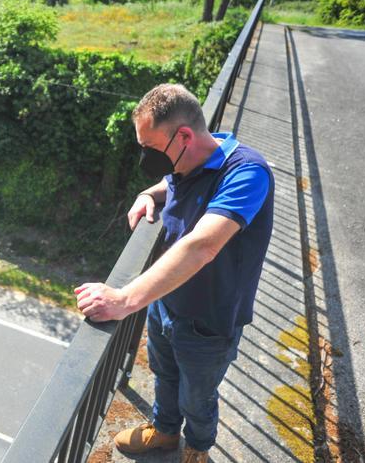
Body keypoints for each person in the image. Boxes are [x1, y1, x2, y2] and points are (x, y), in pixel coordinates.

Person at [74, 84, 274, 463]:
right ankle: (164, 432)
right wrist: (148, 194)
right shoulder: (188, 159)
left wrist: (123, 299)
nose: (146, 158)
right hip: (166, 303)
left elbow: (203, 245)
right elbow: (171, 181)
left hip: (210, 322)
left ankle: (197, 448)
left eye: (151, 149)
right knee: (165, 376)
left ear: (184, 136)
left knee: (197, 397)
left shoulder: (247, 173)